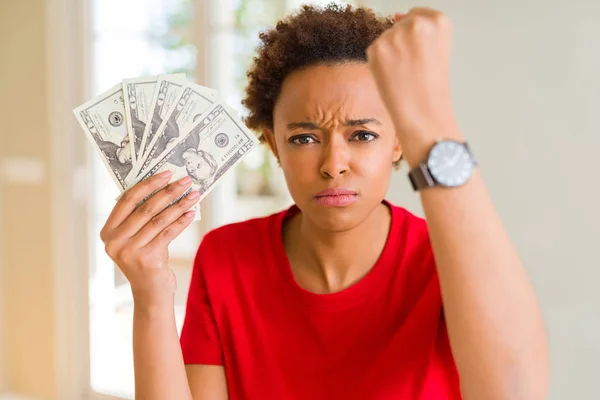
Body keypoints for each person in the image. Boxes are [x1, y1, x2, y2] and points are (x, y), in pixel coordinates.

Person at [99, 4, 549, 400]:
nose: (334, 164)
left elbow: (515, 394)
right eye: (304, 137)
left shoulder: (447, 263)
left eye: (363, 134)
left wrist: (432, 125)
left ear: (398, 142)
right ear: (274, 146)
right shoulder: (225, 258)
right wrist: (151, 297)